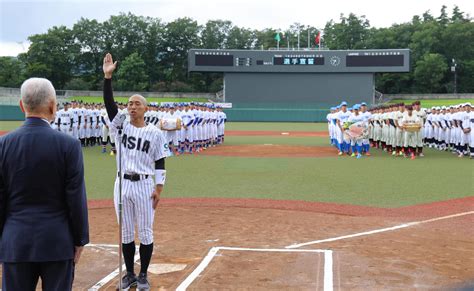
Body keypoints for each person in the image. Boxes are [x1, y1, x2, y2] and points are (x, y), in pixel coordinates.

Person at [0, 78, 89, 290]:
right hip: (57, 242)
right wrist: (80, 240)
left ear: (21, 105)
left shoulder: (3, 145)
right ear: (52, 105)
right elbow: (75, 198)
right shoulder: (69, 145)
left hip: (16, 242)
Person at [103, 53, 169, 290]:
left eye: (136, 103)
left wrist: (159, 189)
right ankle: (129, 273)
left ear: (145, 108)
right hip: (122, 183)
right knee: (126, 232)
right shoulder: (120, 125)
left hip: (143, 184)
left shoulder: (154, 133)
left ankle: (143, 275)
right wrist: (107, 78)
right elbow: (110, 106)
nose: (131, 106)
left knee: (146, 231)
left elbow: (160, 161)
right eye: (129, 103)